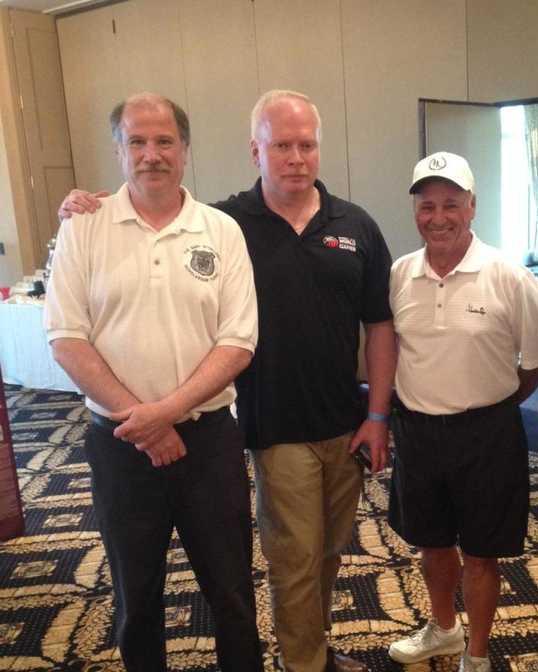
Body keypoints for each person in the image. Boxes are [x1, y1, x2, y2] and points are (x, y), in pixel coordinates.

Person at [58, 89, 396, 672]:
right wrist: (149, 420)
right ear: (255, 151)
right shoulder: (214, 222)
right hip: (236, 429)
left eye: (306, 145)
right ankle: (305, 660)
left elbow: (364, 326)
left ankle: (310, 648)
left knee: (294, 567)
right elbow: (69, 336)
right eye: (280, 145)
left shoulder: (341, 225)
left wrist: (377, 416)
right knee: (248, 567)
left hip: (317, 426)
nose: (295, 156)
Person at [45, 93, 263, 671]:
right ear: (118, 151)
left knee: (233, 593)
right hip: (120, 446)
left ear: (185, 150)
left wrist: (166, 412)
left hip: (209, 442)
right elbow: (66, 337)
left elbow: (238, 341)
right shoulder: (84, 227)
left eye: (164, 141)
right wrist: (144, 423)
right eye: (136, 142)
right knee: (135, 597)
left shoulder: (220, 230)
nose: (151, 154)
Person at [387, 152, 538, 672]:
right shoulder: (399, 275)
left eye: (451, 204)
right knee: (431, 543)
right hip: (418, 433)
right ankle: (444, 630)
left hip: (487, 435)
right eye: (427, 205)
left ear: (472, 207)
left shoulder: (508, 276)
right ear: (415, 211)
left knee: (481, 553)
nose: (439, 217)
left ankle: (476, 655)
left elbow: (534, 363)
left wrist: (489, 403)